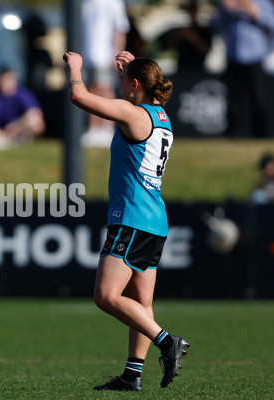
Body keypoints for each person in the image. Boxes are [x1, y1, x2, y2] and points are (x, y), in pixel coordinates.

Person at [63, 49, 189, 391]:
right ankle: (133, 375)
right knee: (140, 302)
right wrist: (134, 68)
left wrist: (76, 68)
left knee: (105, 296)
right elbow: (141, 84)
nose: (117, 82)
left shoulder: (132, 114)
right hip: (154, 220)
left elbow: (79, 96)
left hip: (131, 218)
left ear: (134, 85)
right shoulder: (160, 114)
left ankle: (166, 342)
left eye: (122, 78)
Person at [211, 0, 274, 137]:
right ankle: (233, 135)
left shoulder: (262, 2)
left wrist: (254, 12)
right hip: (233, 57)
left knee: (258, 98)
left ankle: (260, 136)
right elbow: (215, 26)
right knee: (233, 100)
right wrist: (225, 12)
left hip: (255, 56)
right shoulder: (227, 2)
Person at [80, 0, 130, 148]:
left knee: (105, 90)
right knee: (92, 90)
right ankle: (94, 129)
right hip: (86, 55)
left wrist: (117, 55)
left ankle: (106, 128)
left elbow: (120, 30)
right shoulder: (85, 3)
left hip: (105, 55)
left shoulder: (114, 3)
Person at [0, 67, 45, 149]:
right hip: (0, 131)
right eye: (2, 80)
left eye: (7, 80)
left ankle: (11, 139)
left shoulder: (24, 94)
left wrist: (16, 126)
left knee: (35, 122)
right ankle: (7, 139)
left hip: (20, 128)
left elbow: (35, 114)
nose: (4, 83)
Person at [163, 0, 213, 72]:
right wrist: (177, 37)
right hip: (182, 69)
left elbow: (206, 50)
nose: (191, 15)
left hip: (199, 69)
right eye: (189, 12)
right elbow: (167, 47)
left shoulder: (204, 31)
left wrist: (192, 37)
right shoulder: (179, 30)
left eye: (193, 12)